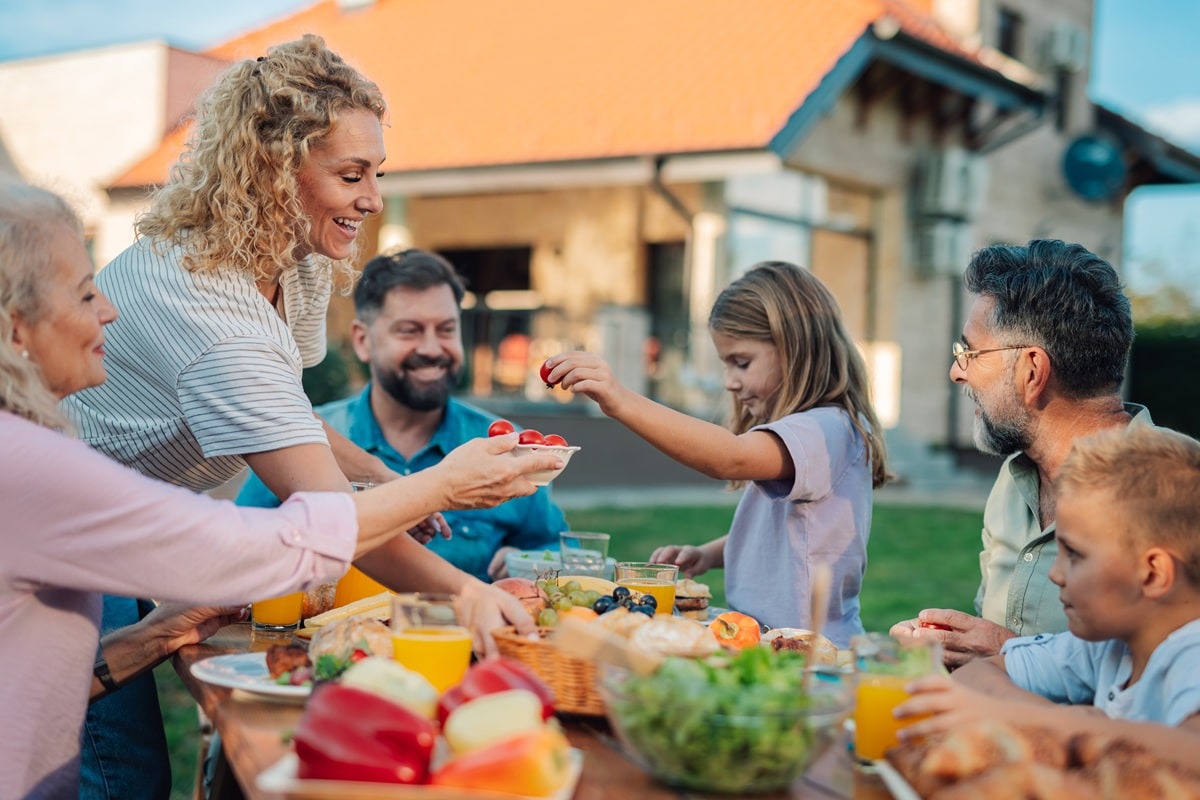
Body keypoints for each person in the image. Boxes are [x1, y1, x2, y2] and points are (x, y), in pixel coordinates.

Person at [56, 36, 554, 797]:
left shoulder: (298, 262)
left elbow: (282, 412)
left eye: (378, 173)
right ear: (270, 171)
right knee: (119, 777)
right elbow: (325, 521)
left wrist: (382, 476)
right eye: (352, 176)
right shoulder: (209, 309)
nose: (374, 199)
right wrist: (464, 580)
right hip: (63, 528)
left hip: (125, 518)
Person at [547, 261, 889, 646]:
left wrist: (621, 400)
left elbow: (730, 458)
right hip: (768, 644)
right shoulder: (814, 434)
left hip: (809, 653)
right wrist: (708, 555)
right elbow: (787, 540)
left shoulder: (826, 430)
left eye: (741, 363)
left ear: (797, 350)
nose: (730, 382)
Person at [890, 239, 1149, 668]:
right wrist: (948, 646)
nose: (956, 372)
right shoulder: (1014, 479)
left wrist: (1009, 652)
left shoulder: (1178, 493)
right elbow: (989, 646)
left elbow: (1172, 687)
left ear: (1032, 371)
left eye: (969, 353)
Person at [237, 249, 567, 580]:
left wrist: (525, 559)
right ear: (362, 340)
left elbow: (555, 547)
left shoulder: (507, 445)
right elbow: (242, 547)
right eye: (409, 330)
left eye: (446, 329)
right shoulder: (302, 440)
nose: (432, 349)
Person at [894, 425, 1200, 772]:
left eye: (1075, 554)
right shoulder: (1106, 647)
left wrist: (1052, 724)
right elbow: (977, 674)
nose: (1055, 573)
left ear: (1153, 573)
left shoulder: (1191, 655)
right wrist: (1060, 719)